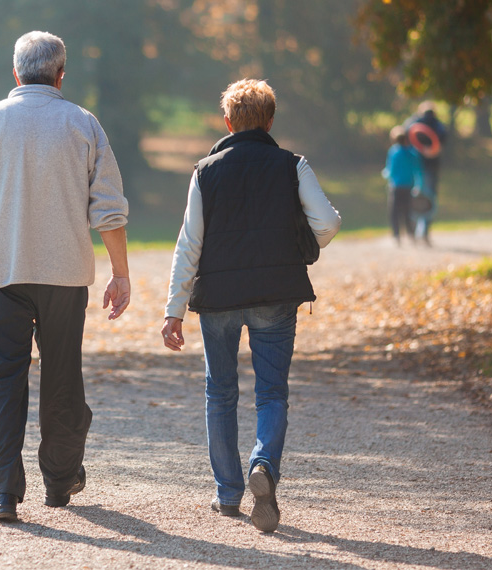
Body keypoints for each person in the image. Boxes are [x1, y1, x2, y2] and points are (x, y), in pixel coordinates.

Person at [0, 31, 131, 523]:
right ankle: (60, 480)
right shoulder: (83, 123)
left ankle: (4, 492)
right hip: (65, 276)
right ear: (60, 75)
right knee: (63, 376)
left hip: (2, 276)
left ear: (16, 73)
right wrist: (120, 274)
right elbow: (109, 210)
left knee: (1, 379)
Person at [160, 79, 341, 533]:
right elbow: (328, 223)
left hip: (218, 298)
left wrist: (174, 310)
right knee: (272, 392)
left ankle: (227, 493)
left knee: (219, 392)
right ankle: (264, 464)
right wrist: (297, 244)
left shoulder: (205, 171)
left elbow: (189, 245)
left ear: (227, 122)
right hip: (276, 293)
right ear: (270, 120)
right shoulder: (291, 165)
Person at [404, 101, 448, 246]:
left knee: (411, 199)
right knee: (430, 200)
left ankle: (412, 233)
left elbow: (404, 134)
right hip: (431, 167)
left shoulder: (412, 122)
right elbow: (443, 139)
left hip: (413, 167)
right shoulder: (437, 124)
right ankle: (425, 233)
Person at [382, 125, 423, 246]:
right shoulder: (413, 153)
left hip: (396, 186)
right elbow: (418, 171)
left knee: (394, 212)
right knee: (408, 211)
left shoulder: (394, 152)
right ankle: (411, 234)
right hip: (409, 186)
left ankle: (396, 236)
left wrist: (385, 175)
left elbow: (390, 171)